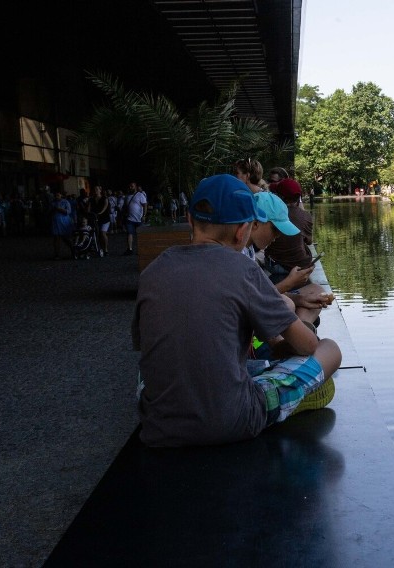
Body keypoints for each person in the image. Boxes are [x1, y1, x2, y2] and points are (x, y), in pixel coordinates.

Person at [132, 173, 342, 447]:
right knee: (329, 349)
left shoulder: (152, 271)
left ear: (190, 218)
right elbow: (307, 345)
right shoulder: (244, 269)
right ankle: (288, 398)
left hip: (159, 424)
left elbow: (148, 348)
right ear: (244, 231)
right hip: (234, 420)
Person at [251, 191, 329, 329]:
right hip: (255, 320)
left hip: (267, 302)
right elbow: (255, 301)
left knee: (316, 290)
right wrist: (288, 283)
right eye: (275, 229)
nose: (278, 236)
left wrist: (301, 299)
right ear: (256, 223)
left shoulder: (250, 251)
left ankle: (303, 327)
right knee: (288, 304)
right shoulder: (238, 256)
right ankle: (297, 334)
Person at [264, 178, 314, 280]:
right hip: (300, 266)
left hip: (276, 267)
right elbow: (309, 241)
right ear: (298, 198)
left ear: (279, 196)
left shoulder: (271, 213)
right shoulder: (306, 216)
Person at [122, 182, 147, 255]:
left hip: (139, 219)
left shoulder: (140, 195)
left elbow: (145, 205)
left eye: (132, 186)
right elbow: (125, 207)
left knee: (140, 234)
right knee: (129, 233)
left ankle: (141, 249)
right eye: (130, 186)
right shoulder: (127, 196)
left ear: (135, 187)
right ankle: (129, 249)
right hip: (130, 219)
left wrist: (144, 215)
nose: (130, 187)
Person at [51, 190, 74, 259]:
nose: (56, 197)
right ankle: (56, 254)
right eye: (55, 195)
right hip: (55, 222)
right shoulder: (53, 202)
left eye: (58, 195)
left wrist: (59, 209)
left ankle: (73, 250)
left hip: (63, 221)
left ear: (61, 195)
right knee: (56, 238)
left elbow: (68, 211)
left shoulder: (65, 202)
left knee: (66, 238)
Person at [92, 185, 110, 255]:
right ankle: (101, 248)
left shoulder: (104, 198)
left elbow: (105, 207)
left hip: (105, 218)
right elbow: (89, 208)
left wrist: (100, 213)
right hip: (96, 218)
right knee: (98, 234)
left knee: (103, 233)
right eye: (95, 189)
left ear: (100, 190)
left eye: (97, 189)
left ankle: (106, 249)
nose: (95, 190)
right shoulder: (92, 199)